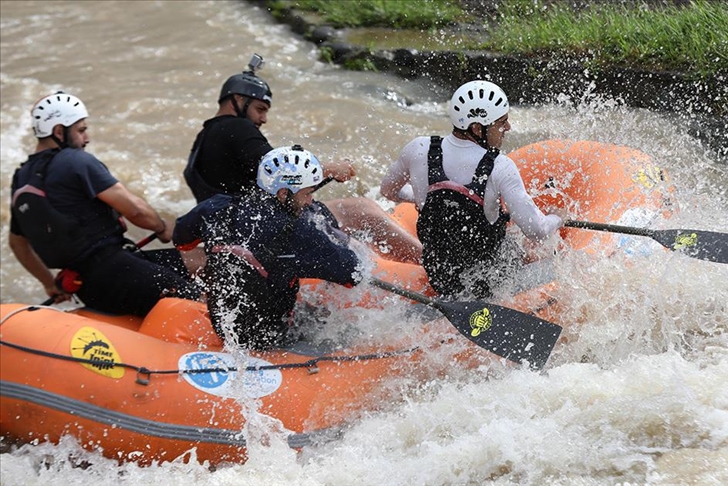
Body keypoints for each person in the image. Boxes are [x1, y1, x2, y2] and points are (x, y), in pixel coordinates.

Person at [183, 54, 422, 265]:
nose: (264, 118)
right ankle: (431, 264)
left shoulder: (202, 139)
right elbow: (279, 171)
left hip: (239, 230)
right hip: (266, 231)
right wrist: (330, 169)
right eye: (260, 108)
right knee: (361, 209)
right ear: (237, 99)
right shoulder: (237, 128)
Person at [9, 92, 200, 315]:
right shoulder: (74, 161)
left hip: (88, 284)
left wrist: (50, 284)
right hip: (116, 272)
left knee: (204, 261)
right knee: (199, 301)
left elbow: (18, 244)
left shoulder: (22, 177)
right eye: (81, 130)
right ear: (59, 131)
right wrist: (162, 227)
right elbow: (136, 211)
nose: (86, 138)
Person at [379, 80, 564, 298]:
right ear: (477, 128)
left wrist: (420, 198)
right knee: (528, 248)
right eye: (501, 122)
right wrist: (556, 218)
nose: (508, 128)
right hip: (492, 277)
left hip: (440, 276)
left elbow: (388, 191)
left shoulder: (418, 148)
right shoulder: (500, 166)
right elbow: (537, 230)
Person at [174, 145, 363, 350]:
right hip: (269, 336)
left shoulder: (217, 207)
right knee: (349, 332)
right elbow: (353, 273)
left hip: (223, 325)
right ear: (283, 193)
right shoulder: (301, 233)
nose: (311, 201)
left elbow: (182, 240)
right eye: (308, 193)